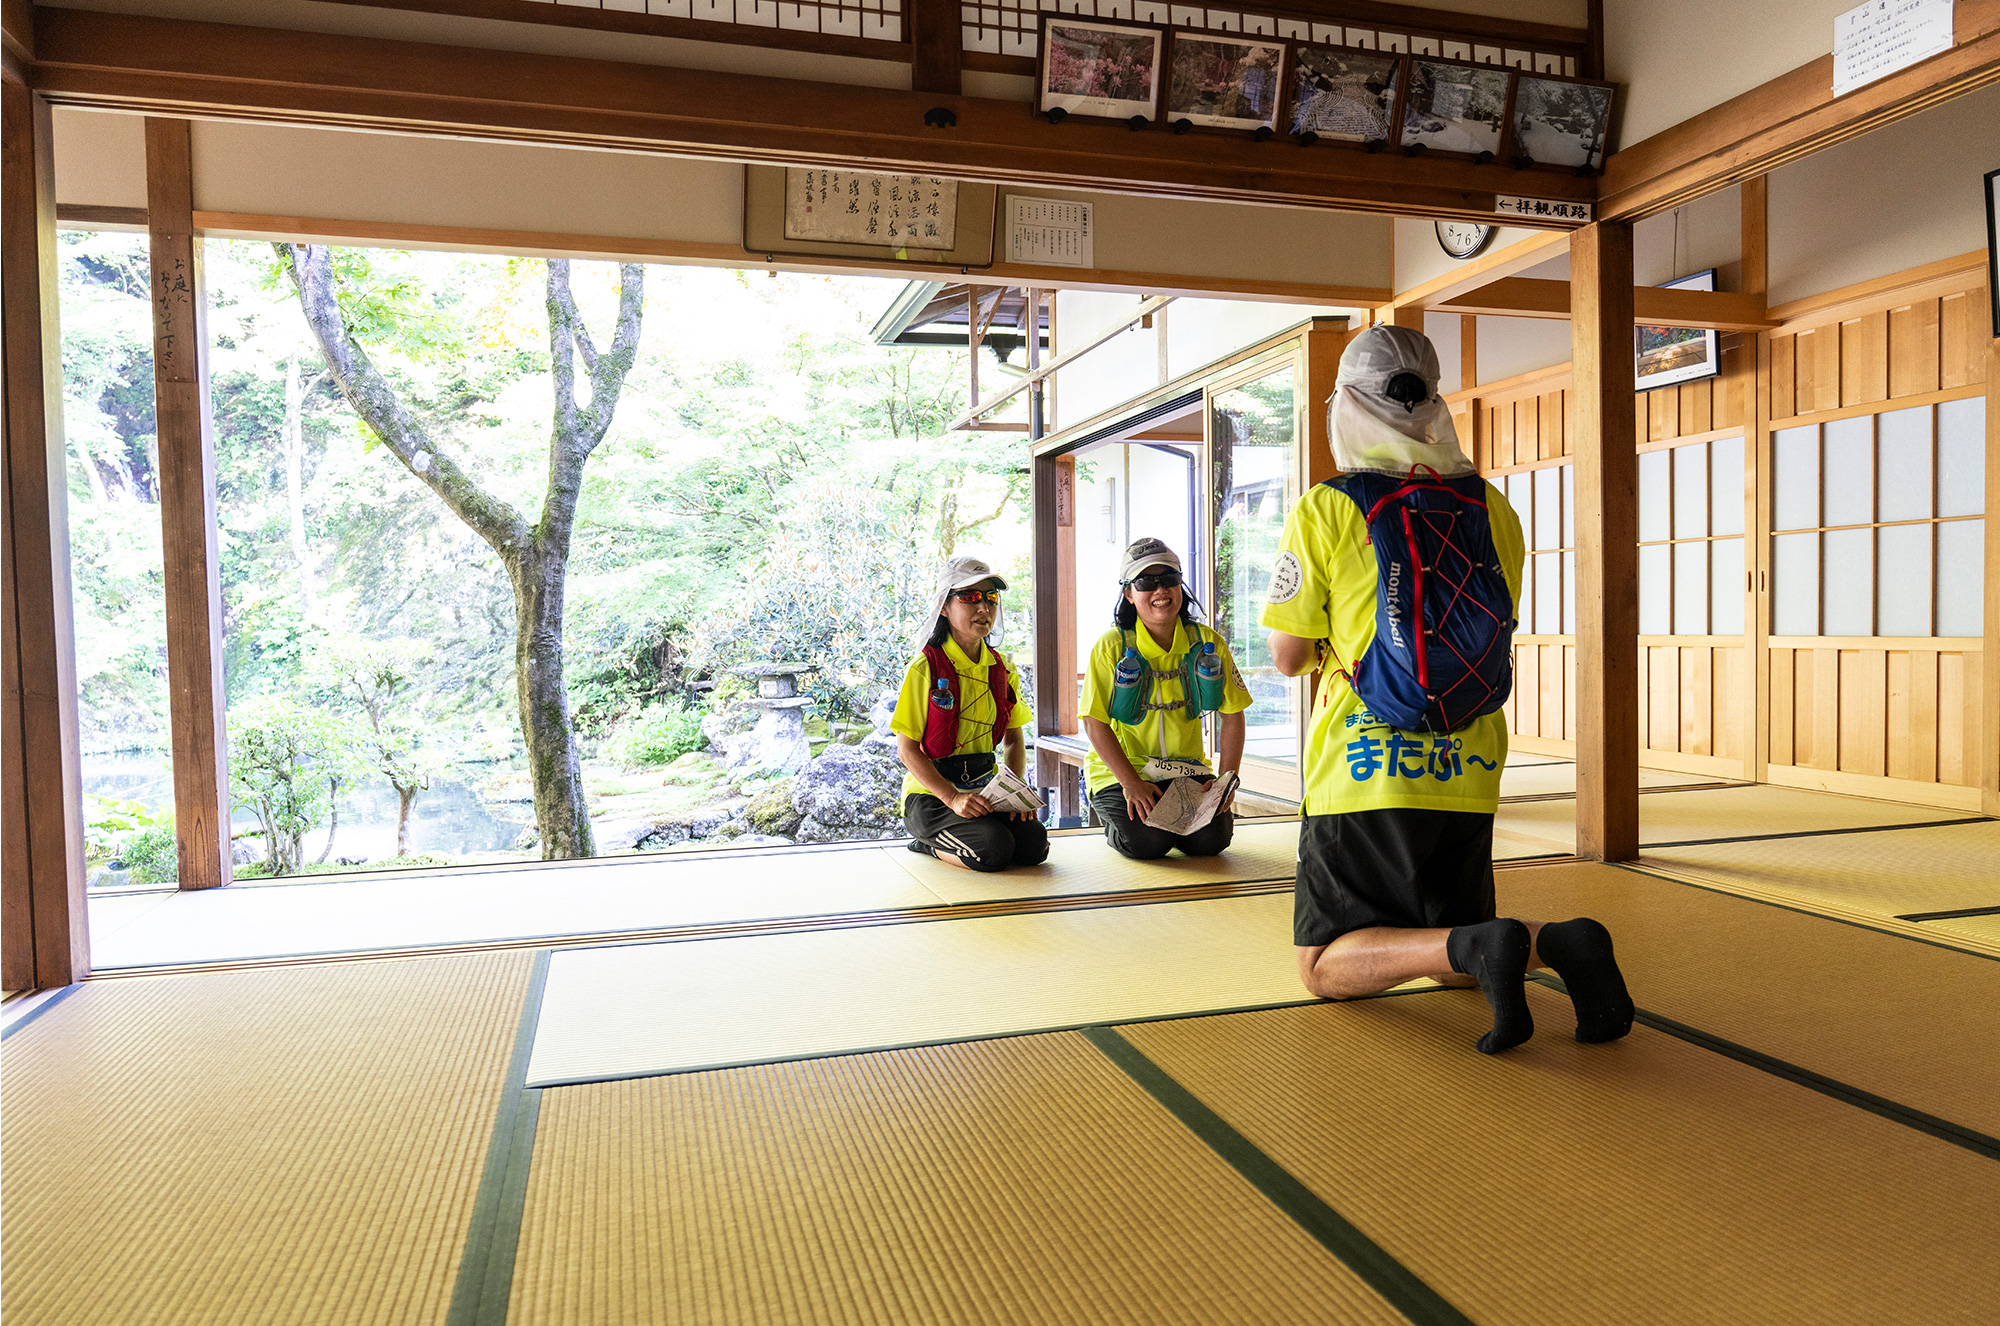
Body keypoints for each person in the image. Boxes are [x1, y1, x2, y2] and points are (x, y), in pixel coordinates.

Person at [1260, 324, 1632, 1054]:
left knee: (1323, 966)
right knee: (1450, 949)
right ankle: (1557, 939)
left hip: (1363, 768)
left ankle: (1498, 945)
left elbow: (1288, 654)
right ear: (1433, 403)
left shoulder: (1329, 506)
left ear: (1348, 406)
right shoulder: (1490, 507)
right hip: (1469, 763)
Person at [1080, 537, 1251, 860]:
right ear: (1128, 593)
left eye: (1169, 579)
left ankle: (1172, 823)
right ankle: (1120, 823)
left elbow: (1233, 713)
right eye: (1146, 581)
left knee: (1210, 843)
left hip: (1185, 771)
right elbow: (1094, 722)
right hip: (1123, 771)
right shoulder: (1111, 646)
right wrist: (1131, 784)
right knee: (1147, 844)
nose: (1160, 590)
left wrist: (1225, 780)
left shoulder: (1207, 643)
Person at [891, 555, 1049, 872]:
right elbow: (906, 750)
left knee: (1034, 845)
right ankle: (927, 843)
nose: (983, 608)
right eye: (970, 597)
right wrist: (952, 798)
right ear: (944, 606)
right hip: (932, 796)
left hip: (984, 789)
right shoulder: (925, 668)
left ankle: (970, 834)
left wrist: (1013, 792)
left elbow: (1015, 741)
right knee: (993, 850)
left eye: (990, 598)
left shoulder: (1002, 668)